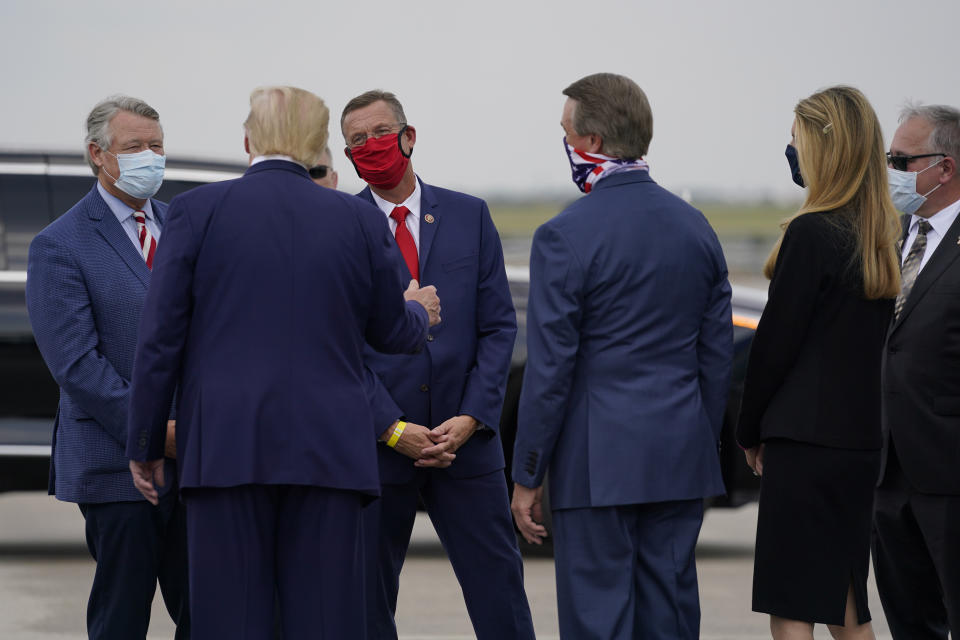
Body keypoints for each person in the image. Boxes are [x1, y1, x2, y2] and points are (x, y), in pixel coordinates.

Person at [125, 86, 440, 638]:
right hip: (331, 454)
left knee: (230, 622)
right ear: (319, 146)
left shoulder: (196, 213)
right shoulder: (358, 220)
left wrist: (147, 443)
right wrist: (419, 313)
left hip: (226, 450)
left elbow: (159, 342)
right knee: (325, 622)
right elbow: (392, 333)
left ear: (248, 140)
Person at [511, 72, 733, 640]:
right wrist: (696, 440)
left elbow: (551, 368)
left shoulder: (564, 234)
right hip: (680, 455)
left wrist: (528, 472)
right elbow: (715, 357)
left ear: (589, 142)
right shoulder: (697, 228)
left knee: (597, 620)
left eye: (564, 131)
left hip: (596, 463)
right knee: (672, 617)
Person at [342, 90, 535, 640]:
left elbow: (499, 327)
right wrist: (391, 427)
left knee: (499, 592)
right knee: (367, 601)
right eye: (356, 140)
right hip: (378, 447)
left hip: (464, 446)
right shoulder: (342, 223)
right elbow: (339, 345)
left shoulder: (468, 214)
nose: (371, 147)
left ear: (409, 136)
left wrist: (473, 416)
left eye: (380, 133)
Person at [736, 86, 900, 640]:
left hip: (802, 442)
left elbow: (774, 347)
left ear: (822, 150)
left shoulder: (811, 233)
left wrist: (749, 429)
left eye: (795, 142)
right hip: (858, 443)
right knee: (848, 601)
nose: (792, 154)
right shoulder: (879, 237)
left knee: (793, 601)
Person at [25, 95, 190, 639]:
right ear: (98, 154)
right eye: (135, 147)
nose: (150, 157)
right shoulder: (61, 244)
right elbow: (77, 366)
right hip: (117, 465)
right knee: (123, 614)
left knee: (209, 611)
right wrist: (152, 433)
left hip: (194, 459)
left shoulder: (181, 227)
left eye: (157, 146)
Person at [873, 103, 960, 639]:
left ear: (945, 167)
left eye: (902, 161)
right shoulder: (893, 234)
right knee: (909, 624)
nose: (892, 172)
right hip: (887, 472)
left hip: (949, 473)